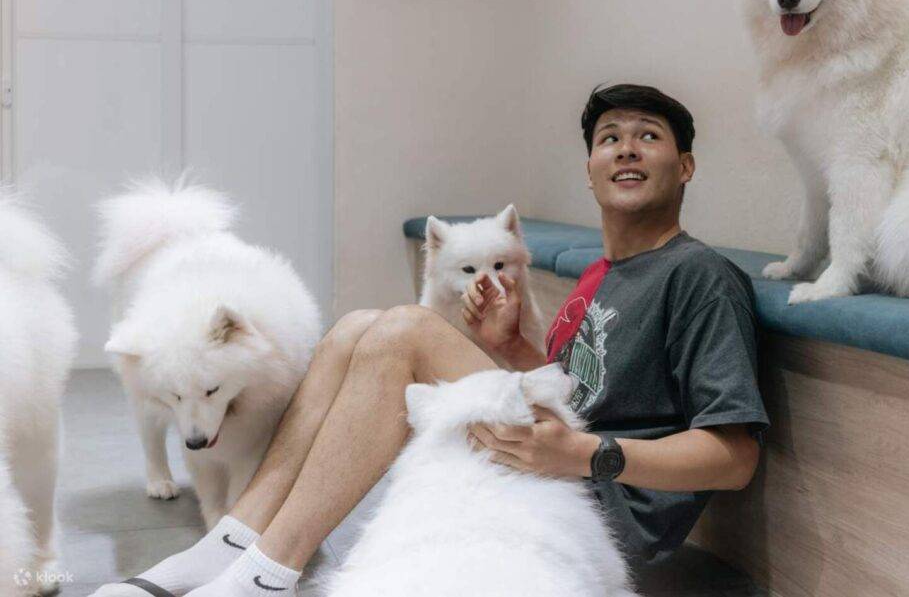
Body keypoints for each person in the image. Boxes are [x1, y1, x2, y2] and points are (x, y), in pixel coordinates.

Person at [93, 84, 768, 597]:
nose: (624, 147)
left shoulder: (699, 275)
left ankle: (268, 570)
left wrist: (591, 454)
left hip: (602, 489)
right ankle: (233, 539)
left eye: (647, 137)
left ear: (685, 167)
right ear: (590, 168)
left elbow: (734, 456)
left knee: (406, 329)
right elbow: (585, 389)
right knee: (356, 327)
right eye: (609, 138)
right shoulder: (600, 273)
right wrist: (509, 348)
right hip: (564, 446)